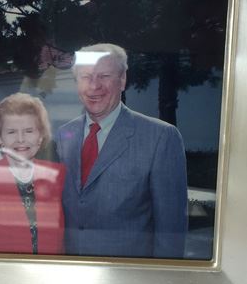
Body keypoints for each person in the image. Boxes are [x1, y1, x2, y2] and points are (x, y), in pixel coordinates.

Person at [56, 43, 187, 258]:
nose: (94, 86)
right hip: (71, 276)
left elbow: (170, 233)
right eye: (86, 77)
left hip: (127, 281)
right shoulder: (64, 135)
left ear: (123, 80)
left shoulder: (161, 137)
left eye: (104, 76)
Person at [0, 94, 66, 255]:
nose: (20, 139)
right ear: (0, 138)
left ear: (40, 136)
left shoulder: (58, 175)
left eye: (29, 131)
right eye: (11, 132)